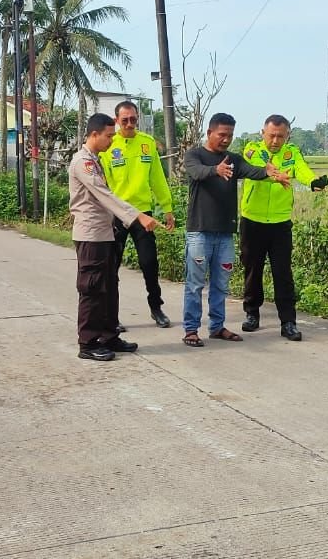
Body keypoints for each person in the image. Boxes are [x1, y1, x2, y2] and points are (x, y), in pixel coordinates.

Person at [181, 113, 286, 347]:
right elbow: (196, 172)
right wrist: (215, 170)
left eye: (230, 135)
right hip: (200, 232)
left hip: (225, 234)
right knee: (195, 284)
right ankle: (191, 330)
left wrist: (268, 172)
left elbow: (251, 171)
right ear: (209, 133)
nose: (226, 140)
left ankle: (217, 327)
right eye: (222, 135)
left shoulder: (233, 159)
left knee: (221, 284)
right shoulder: (195, 155)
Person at [69, 113, 159, 362]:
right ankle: (87, 342)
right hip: (91, 236)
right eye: (109, 136)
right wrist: (139, 216)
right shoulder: (83, 163)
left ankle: (109, 336)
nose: (111, 140)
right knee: (92, 289)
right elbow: (105, 196)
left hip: (105, 233)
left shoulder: (95, 160)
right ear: (94, 134)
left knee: (109, 286)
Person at [240, 115, 328, 341]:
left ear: (287, 135)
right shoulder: (252, 149)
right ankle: (252, 313)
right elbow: (257, 168)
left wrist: (313, 182)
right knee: (253, 269)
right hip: (253, 220)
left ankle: (288, 322)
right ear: (263, 133)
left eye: (280, 136)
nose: (275, 141)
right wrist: (274, 176)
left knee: (283, 272)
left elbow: (301, 170)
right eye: (271, 135)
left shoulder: (291, 152)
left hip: (280, 223)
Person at [99, 100, 175, 328]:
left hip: (143, 213)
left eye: (133, 119)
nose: (130, 124)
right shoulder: (109, 145)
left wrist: (167, 207)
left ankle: (156, 308)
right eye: (125, 120)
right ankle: (110, 316)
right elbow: (100, 183)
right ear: (116, 121)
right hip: (117, 213)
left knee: (149, 262)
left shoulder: (147, 143)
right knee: (112, 266)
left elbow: (157, 178)